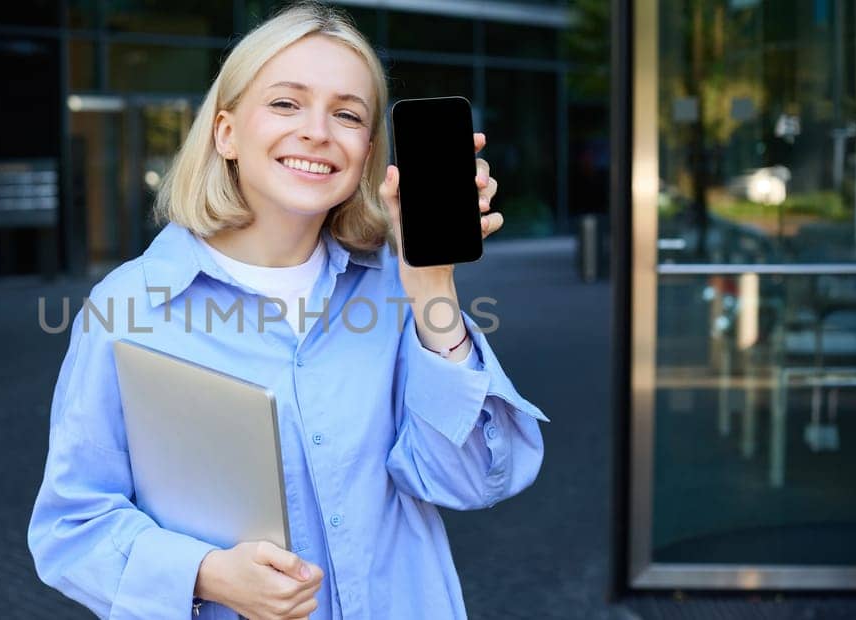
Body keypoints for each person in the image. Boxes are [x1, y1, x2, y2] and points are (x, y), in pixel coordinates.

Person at [27, 3, 548, 618]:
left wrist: (433, 291)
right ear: (226, 133)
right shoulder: (128, 306)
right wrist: (207, 574)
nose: (318, 132)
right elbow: (71, 525)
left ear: (368, 152)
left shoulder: (396, 290)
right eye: (285, 103)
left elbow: (471, 479)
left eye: (348, 115)